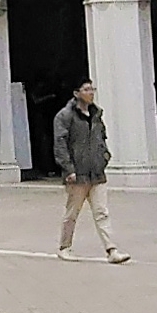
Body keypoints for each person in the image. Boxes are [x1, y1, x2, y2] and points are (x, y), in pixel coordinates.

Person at [52, 78, 128, 262]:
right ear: (76, 93)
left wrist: (104, 157)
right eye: (86, 89)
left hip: (96, 172)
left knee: (102, 211)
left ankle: (111, 249)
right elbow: (60, 144)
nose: (91, 92)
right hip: (77, 173)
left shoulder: (96, 114)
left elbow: (101, 137)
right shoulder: (65, 116)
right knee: (72, 212)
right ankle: (65, 246)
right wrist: (69, 168)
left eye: (92, 89)